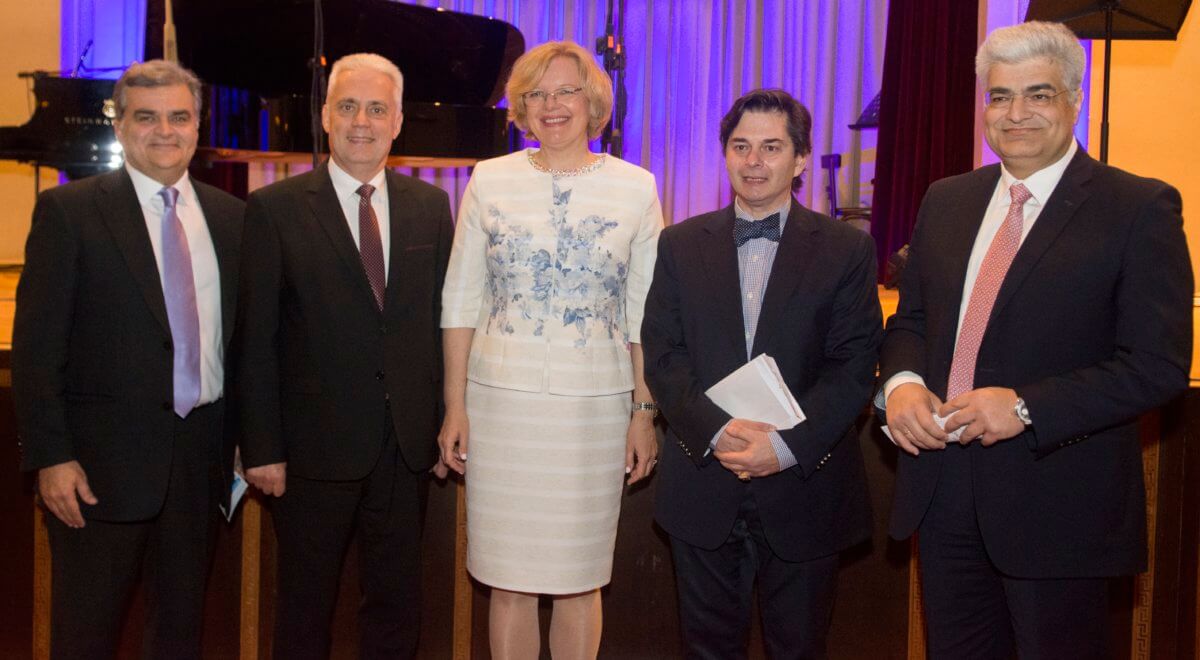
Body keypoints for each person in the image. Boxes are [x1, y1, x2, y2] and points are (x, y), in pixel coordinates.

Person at [878, 21, 1192, 658]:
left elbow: (1156, 365)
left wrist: (1024, 407)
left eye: (1038, 95)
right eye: (1000, 96)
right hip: (942, 495)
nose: (1015, 113)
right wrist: (902, 385)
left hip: (1058, 505)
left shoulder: (1137, 207)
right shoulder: (947, 200)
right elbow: (911, 320)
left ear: (1074, 100)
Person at [438, 40, 662, 659]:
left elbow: (645, 314)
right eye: (537, 93)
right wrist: (455, 406)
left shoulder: (636, 187)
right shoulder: (489, 178)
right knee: (507, 581)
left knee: (579, 581)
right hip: (500, 411)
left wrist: (644, 414)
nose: (551, 104)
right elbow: (460, 302)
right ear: (521, 107)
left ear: (594, 103)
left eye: (566, 91)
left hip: (593, 414)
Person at [12, 59, 244, 659]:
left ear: (198, 127)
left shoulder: (232, 217)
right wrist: (51, 456)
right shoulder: (70, 212)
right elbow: (37, 350)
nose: (165, 131)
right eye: (147, 117)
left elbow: (243, 344)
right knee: (86, 635)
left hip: (200, 461)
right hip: (97, 469)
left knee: (180, 633)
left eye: (179, 117)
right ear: (119, 125)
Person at [641, 88, 882, 658]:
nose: (753, 161)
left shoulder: (847, 249)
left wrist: (785, 447)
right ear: (725, 153)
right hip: (704, 481)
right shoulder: (679, 244)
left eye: (771, 147)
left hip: (806, 485)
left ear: (800, 160)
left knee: (799, 648)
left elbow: (853, 366)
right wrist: (718, 431)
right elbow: (663, 354)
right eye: (740, 146)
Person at [234, 53, 454, 659]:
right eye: (349, 106)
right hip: (310, 451)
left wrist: (443, 424)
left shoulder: (430, 207)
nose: (362, 121)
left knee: (396, 606)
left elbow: (440, 324)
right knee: (305, 608)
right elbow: (255, 340)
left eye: (377, 108)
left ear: (398, 122)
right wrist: (262, 447)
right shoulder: (274, 208)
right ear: (325, 115)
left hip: (405, 446)